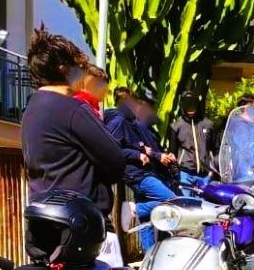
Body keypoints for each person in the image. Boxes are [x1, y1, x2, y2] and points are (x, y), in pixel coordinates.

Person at [20, 28, 126, 223]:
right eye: (80, 66)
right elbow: (116, 161)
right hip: (79, 226)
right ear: (64, 69)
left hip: (44, 221)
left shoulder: (31, 109)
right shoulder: (73, 110)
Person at [106, 88, 179, 249]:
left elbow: (142, 147)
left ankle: (149, 259)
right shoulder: (118, 121)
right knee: (173, 201)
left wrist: (158, 155)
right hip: (137, 174)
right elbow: (112, 148)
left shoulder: (133, 123)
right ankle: (137, 209)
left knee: (147, 223)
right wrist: (136, 155)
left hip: (145, 171)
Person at [170, 91, 214, 180]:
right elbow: (172, 153)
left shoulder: (208, 124)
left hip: (206, 175)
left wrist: (213, 170)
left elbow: (216, 149)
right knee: (185, 195)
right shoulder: (176, 126)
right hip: (185, 174)